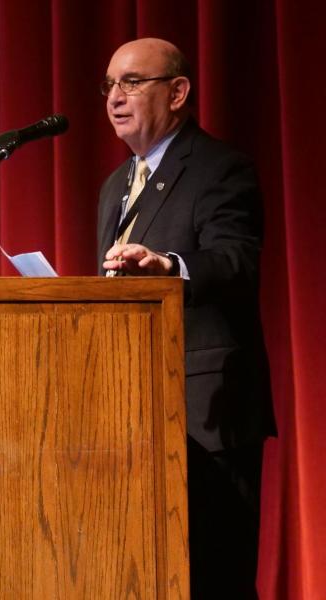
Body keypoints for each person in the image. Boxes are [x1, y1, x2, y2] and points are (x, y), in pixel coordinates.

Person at [97, 38, 276, 599]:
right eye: (109, 86)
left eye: (132, 82)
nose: (115, 97)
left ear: (177, 92)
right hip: (132, 413)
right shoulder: (114, 187)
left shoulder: (221, 168)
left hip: (206, 414)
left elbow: (236, 261)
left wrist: (167, 266)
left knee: (212, 577)